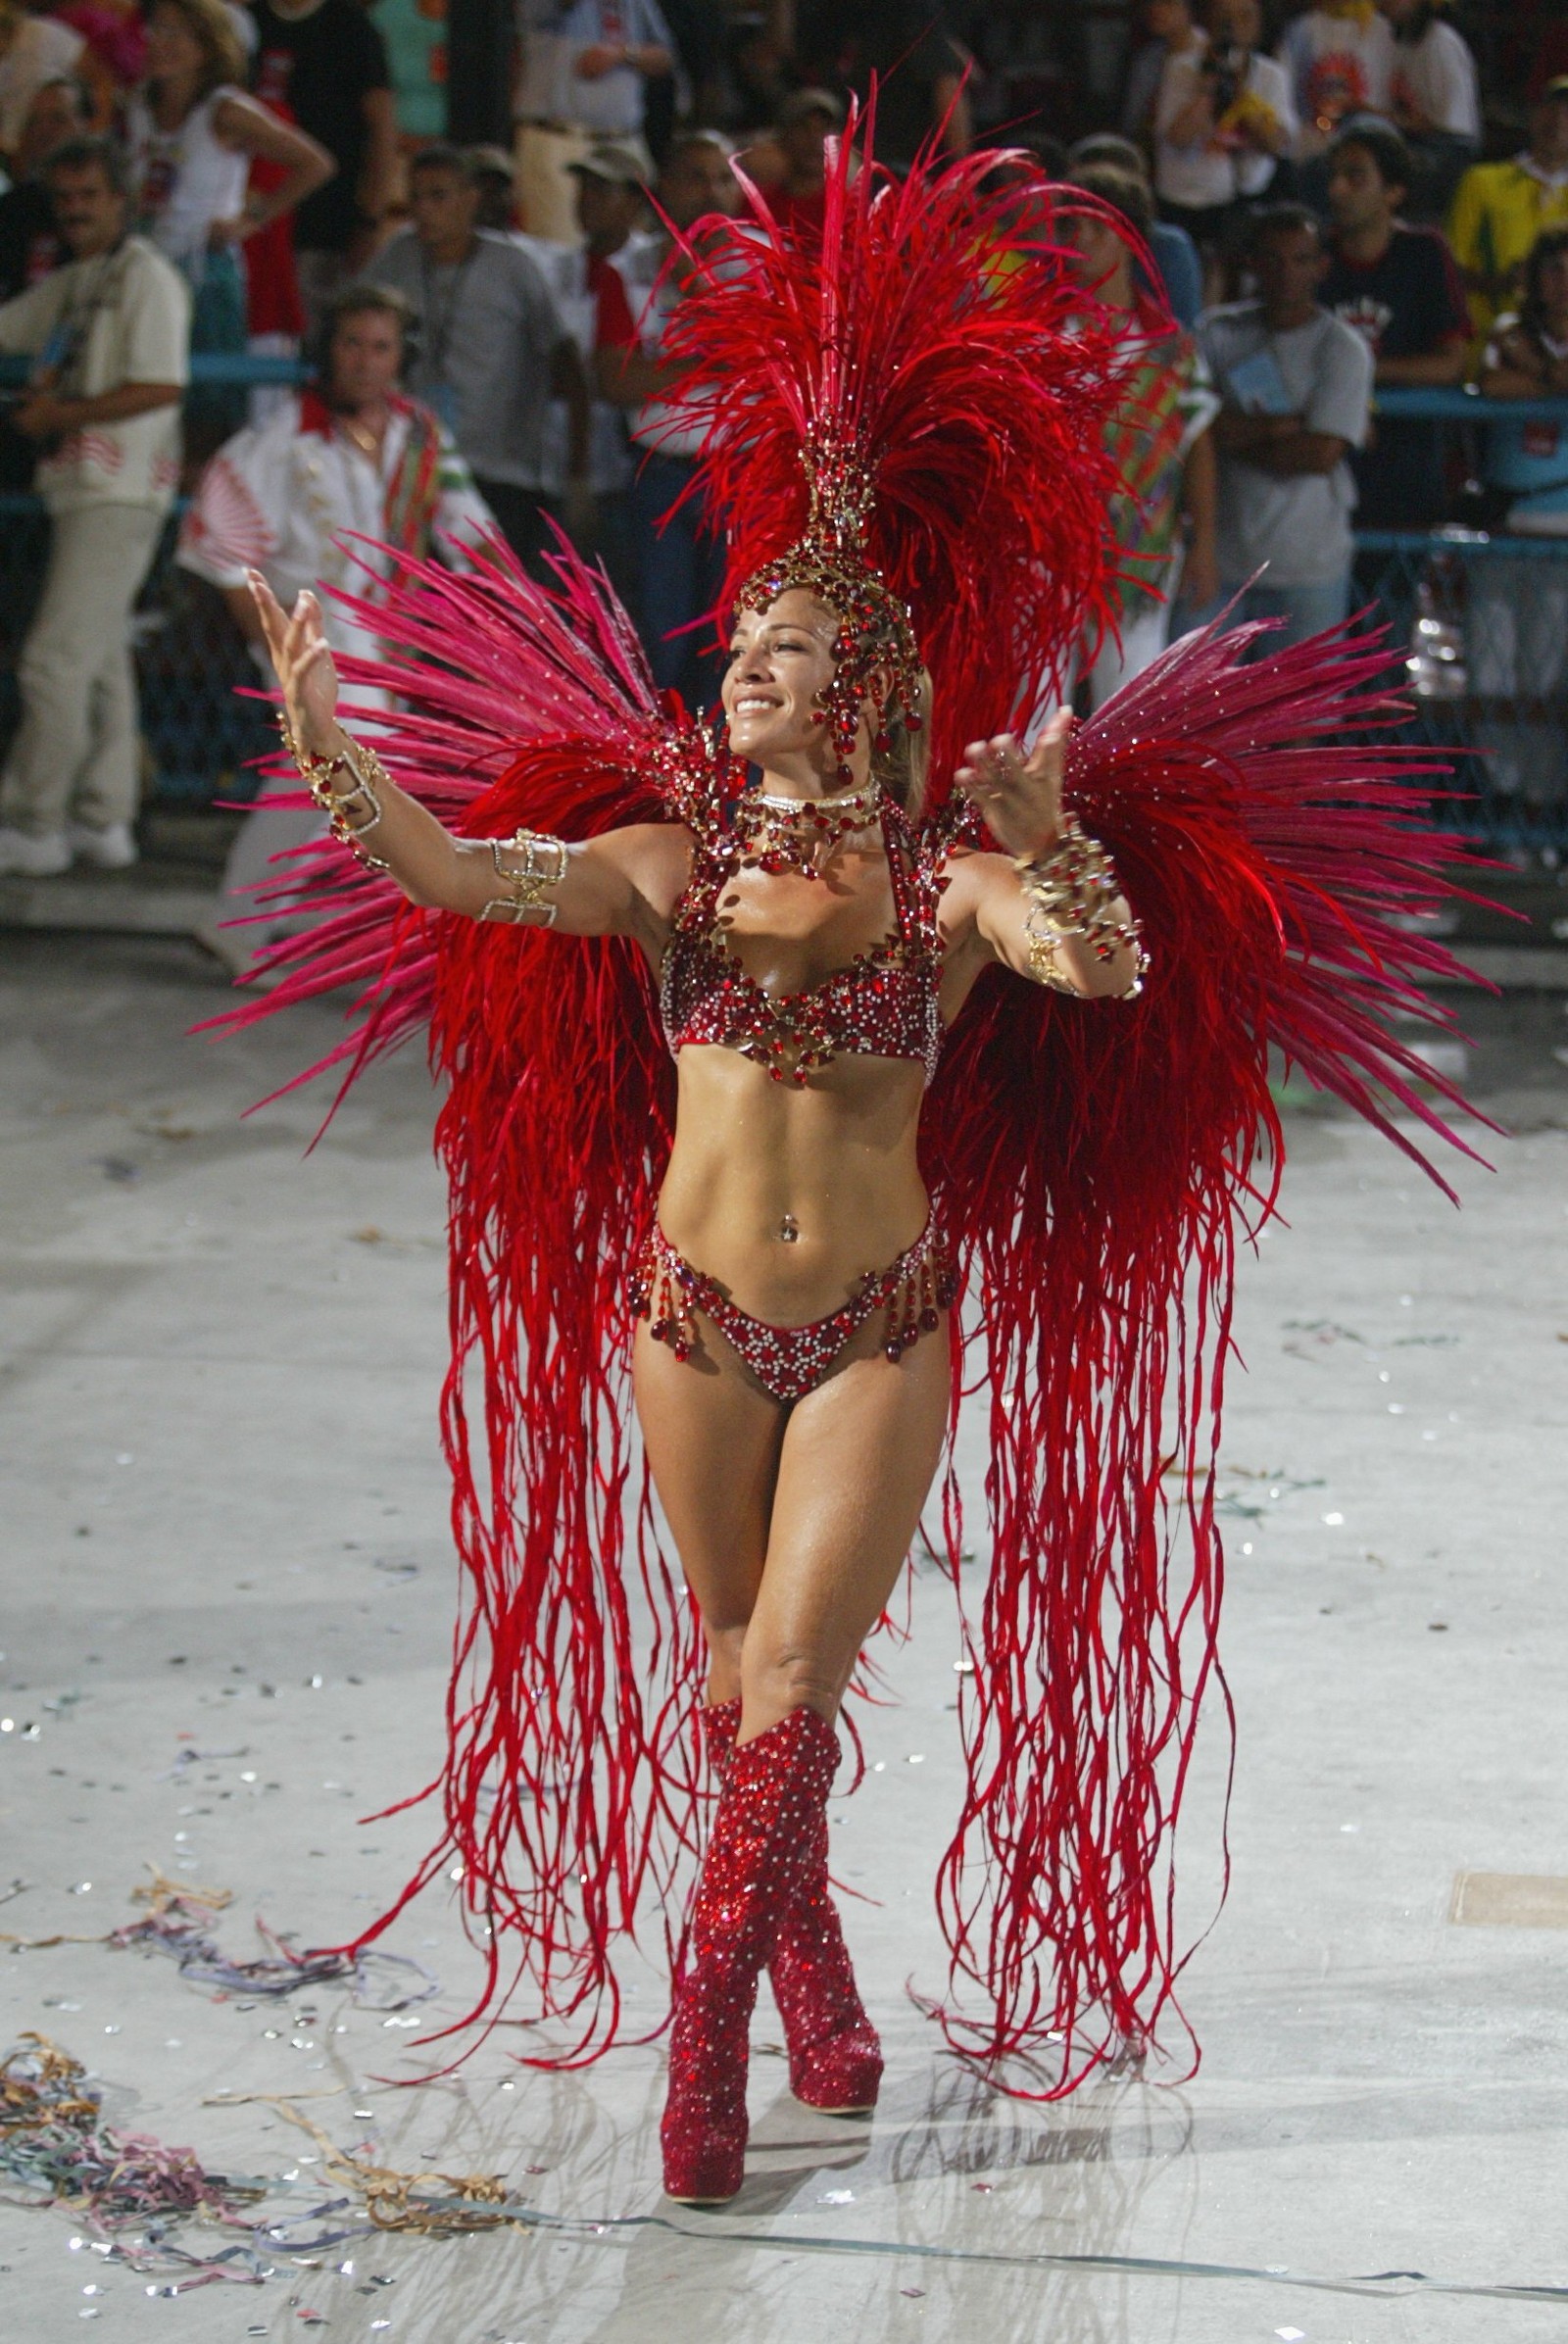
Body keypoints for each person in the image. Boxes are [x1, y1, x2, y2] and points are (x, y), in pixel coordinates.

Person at [219, 123, 1477, 2206]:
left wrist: (1048, 832)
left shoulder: (948, 881)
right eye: (745, 650)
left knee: (790, 1676)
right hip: (690, 1321)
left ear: (871, 687)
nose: (754, 666)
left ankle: (705, 2028)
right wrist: (316, 730)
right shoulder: (660, 860)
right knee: (736, 1673)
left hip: (881, 1326)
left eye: (797, 649)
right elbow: (451, 870)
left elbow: (1098, 960)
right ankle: (809, 1965)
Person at [177, 282, 494, 954]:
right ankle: (254, 925)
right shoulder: (281, 436)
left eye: (380, 346)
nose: (364, 360)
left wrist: (499, 609)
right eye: (352, 343)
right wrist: (274, 644)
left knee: (356, 785)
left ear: (399, 356)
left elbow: (470, 534)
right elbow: (222, 549)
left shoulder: (421, 435)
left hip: (388, 639)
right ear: (329, 349)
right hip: (310, 633)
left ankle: (275, 926)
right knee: (335, 771)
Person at [0, 136, 188, 877]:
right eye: (66, 199)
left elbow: (163, 385)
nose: (76, 211)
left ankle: (33, 819)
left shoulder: (148, 278)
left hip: (121, 488)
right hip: (85, 488)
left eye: (91, 196)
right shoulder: (83, 279)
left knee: (53, 661)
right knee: (100, 658)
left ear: (121, 200)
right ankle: (102, 818)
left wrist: (58, 417)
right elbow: (11, 324)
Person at [367, 144, 584, 574]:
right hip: (416, 463)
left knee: (493, 609)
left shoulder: (512, 267)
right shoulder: (397, 257)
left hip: (501, 468)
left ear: (471, 199)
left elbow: (565, 359)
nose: (424, 210)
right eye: (416, 197)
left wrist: (576, 470)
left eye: (438, 196)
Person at [125, 0, 332, 450]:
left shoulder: (226, 110)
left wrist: (249, 220)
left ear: (206, 47)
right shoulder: (140, 105)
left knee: (206, 414)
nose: (160, 43)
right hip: (145, 268)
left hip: (203, 274)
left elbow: (313, 163)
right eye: (156, 31)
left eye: (175, 34)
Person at [1062, 164, 1219, 698]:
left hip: (1141, 551)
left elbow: (1195, 445)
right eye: (1070, 228)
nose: (1077, 241)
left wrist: (1204, 543)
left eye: (1093, 229)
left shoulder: (1172, 350)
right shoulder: (1039, 338)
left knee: (1128, 709)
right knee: (1030, 721)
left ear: (1128, 240)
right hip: (1046, 555)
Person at [601, 125, 740, 706]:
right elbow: (617, 381)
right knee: (662, 645)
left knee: (735, 644)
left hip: (743, 477)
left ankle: (729, 789)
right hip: (661, 478)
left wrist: (670, 367)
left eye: (723, 179)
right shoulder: (624, 273)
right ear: (662, 187)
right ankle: (665, 784)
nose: (710, 191)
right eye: (694, 177)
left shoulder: (765, 268)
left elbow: (770, 371)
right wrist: (720, 357)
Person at [1199, 201, 1373, 641]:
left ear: (1321, 267)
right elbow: (1195, 430)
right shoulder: (1215, 333)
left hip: (1309, 567)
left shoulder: (1343, 349)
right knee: (1202, 708)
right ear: (1254, 264)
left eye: (1300, 259)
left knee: (1307, 710)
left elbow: (1319, 454)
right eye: (1272, 259)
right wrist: (1280, 427)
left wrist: (1227, 432)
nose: (1285, 272)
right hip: (1222, 560)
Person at [1320, 117, 1468, 531]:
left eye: (1355, 176)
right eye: (1334, 176)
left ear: (1394, 191)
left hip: (1407, 469)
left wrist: (1357, 374)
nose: (1337, 189)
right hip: (1324, 467)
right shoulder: (1312, 256)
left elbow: (1452, 362)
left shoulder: (1423, 254)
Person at [1466, 224, 1568, 813]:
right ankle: (1498, 796)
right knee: (1494, 665)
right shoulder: (1511, 332)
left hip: (1561, 535)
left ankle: (1544, 800)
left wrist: (1542, 379)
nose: (1560, 284)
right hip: (1504, 530)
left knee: (1549, 674)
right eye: (1551, 270)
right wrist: (1550, 380)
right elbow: (1491, 377)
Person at [249, 0, 397, 327]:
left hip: (325, 227)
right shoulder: (247, 21)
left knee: (320, 337)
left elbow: (382, 132)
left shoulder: (352, 28)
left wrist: (370, 220)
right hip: (253, 228)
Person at [1153, 0, 1295, 284]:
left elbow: (1277, 144)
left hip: (1243, 202)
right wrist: (1208, 88)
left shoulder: (1271, 75)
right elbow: (1177, 137)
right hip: (1185, 198)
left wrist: (1240, 95)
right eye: (1225, 17)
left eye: (1245, 17)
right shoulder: (1181, 69)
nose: (1234, 26)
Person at [1447, 78, 1568, 345]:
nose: (1559, 120)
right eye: (1551, 109)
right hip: (1490, 342)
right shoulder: (1481, 182)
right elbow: (1449, 269)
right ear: (1534, 116)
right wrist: (1499, 282)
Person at [1069, 129, 1204, 326]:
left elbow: (1185, 323)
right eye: (1070, 225)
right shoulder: (1038, 326)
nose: (1080, 237)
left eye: (1098, 226)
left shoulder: (1169, 247)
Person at [1379, 0, 1479, 220]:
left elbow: (1444, 123)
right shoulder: (1403, 41)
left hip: (1448, 148)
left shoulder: (1440, 42)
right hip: (1416, 140)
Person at [0, 74, 91, 303]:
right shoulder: (12, 208)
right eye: (34, 121)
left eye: (57, 119)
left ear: (85, 126)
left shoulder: (105, 208)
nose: (43, 130)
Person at [1277, 0, 1396, 162]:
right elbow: (1283, 99)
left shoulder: (1384, 31)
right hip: (1308, 149)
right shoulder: (1300, 31)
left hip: (1368, 147)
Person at [0, 0, 108, 165]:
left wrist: (95, 144)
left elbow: (101, 81)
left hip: (74, 156)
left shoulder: (41, 34)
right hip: (18, 168)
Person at [740, 86, 846, 241]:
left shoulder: (849, 209)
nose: (814, 139)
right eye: (804, 129)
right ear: (783, 136)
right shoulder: (757, 205)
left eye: (824, 130)